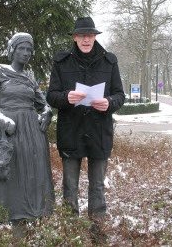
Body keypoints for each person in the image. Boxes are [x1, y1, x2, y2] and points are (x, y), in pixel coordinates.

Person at [46, 17, 125, 242]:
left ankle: (97, 232)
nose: (86, 39)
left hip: (100, 133)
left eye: (90, 35)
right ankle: (70, 233)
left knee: (98, 185)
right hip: (71, 132)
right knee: (69, 186)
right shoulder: (62, 62)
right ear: (74, 38)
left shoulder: (109, 62)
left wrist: (109, 102)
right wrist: (66, 97)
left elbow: (120, 95)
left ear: (95, 37)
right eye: (81, 35)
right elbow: (51, 96)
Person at [0, 32, 55, 238]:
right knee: (10, 176)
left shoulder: (29, 78)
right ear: (12, 50)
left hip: (32, 134)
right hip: (8, 132)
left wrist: (47, 112)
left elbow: (42, 102)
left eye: (29, 50)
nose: (26, 53)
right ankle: (10, 218)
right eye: (21, 48)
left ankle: (31, 217)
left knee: (31, 175)